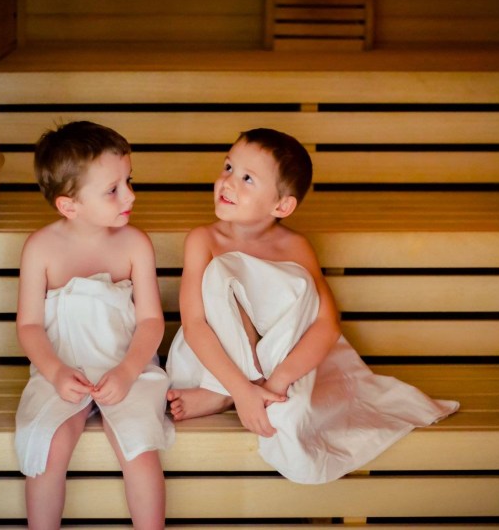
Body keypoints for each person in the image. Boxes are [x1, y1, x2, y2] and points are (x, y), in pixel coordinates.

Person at [166, 128, 458, 484]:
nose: (227, 182)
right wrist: (243, 393)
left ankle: (239, 394)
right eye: (228, 167)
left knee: (304, 290)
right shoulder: (204, 240)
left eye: (246, 178)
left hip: (276, 365)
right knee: (221, 273)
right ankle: (226, 391)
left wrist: (280, 380)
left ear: (281, 206)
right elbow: (195, 323)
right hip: (209, 362)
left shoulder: (296, 247)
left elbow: (325, 325)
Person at [14, 121, 173, 529]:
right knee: (49, 446)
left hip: (127, 367)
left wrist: (127, 370)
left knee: (138, 447)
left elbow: (152, 320)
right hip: (62, 369)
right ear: (69, 205)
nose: (131, 195)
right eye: (113, 189)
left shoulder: (135, 244)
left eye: (129, 181)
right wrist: (55, 371)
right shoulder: (41, 248)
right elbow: (29, 325)